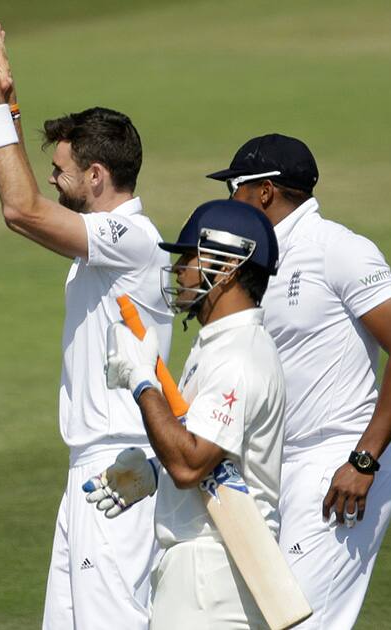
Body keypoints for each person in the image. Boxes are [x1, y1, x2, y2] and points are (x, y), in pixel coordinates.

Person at [0, 21, 173, 629]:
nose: (53, 179)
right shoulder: (108, 247)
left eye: (61, 169)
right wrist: (6, 102)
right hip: (94, 466)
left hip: (120, 466)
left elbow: (20, 209)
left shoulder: (130, 238)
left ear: (95, 175)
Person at [207, 134, 391, 628]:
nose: (231, 203)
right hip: (276, 467)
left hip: (339, 468)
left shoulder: (339, 249)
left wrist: (363, 461)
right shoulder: (257, 262)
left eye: (236, 190)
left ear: (264, 192)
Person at [95, 199, 287, 628]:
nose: (179, 269)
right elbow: (208, 459)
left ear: (228, 267)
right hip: (207, 568)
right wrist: (153, 471)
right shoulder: (218, 347)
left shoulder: (239, 357)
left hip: (213, 573)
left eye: (189, 257)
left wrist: (142, 381)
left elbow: (189, 463)